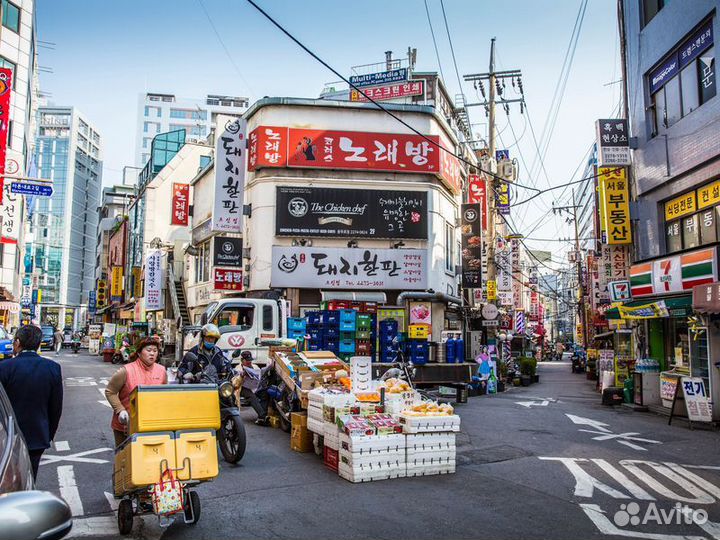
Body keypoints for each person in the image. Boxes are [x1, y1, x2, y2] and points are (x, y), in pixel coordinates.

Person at [0, 325, 63, 479]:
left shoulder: (4, 368)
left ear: (17, 342)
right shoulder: (53, 368)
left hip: (7, 437)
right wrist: (48, 434)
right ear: (38, 343)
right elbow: (56, 408)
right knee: (30, 476)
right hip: (37, 435)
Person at [105, 337, 166, 447]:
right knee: (125, 460)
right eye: (148, 350)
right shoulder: (126, 370)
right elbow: (110, 391)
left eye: (155, 351)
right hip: (126, 425)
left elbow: (165, 395)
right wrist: (120, 410)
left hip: (152, 424)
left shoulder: (162, 371)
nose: (152, 353)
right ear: (139, 352)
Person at [236, 350, 273, 426]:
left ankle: (262, 416)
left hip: (255, 387)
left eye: (250, 361)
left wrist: (269, 367)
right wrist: (242, 376)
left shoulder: (255, 366)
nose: (249, 363)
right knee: (251, 395)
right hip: (242, 388)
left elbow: (260, 373)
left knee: (265, 392)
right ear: (242, 360)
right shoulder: (238, 369)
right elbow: (235, 384)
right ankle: (262, 415)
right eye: (247, 361)